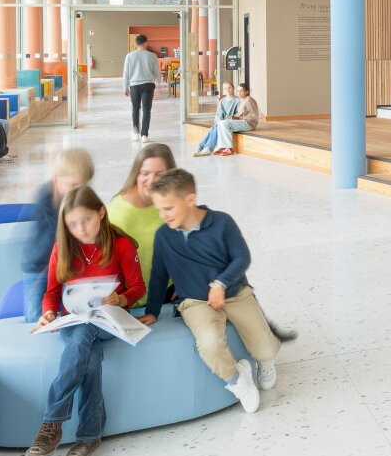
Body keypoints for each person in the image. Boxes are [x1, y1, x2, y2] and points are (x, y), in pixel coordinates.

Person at [138, 168, 280, 413]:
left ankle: (264, 361)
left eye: (168, 208)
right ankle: (237, 380)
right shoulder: (164, 236)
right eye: (158, 209)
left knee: (265, 348)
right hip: (194, 301)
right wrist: (152, 310)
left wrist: (220, 284)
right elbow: (159, 275)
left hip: (235, 293)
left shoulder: (222, 222)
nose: (162, 215)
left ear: (190, 200)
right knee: (209, 344)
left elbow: (241, 257)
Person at [23, 184, 145, 456]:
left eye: (87, 219)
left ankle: (51, 424)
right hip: (74, 320)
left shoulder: (121, 245)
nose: (81, 228)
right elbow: (52, 293)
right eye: (73, 223)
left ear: (101, 213)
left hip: (109, 322)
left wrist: (121, 298)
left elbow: (138, 287)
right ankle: (90, 435)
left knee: (84, 338)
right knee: (87, 353)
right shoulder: (62, 248)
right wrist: (48, 313)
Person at [16, 150, 97, 323]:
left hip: (66, 265)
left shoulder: (79, 198)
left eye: (83, 187)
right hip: (39, 269)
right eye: (73, 185)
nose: (78, 192)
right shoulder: (45, 200)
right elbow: (52, 239)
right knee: (35, 315)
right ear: (56, 178)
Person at [106, 144, 171, 280]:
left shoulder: (173, 201)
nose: (152, 180)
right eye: (145, 173)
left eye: (159, 174)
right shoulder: (117, 213)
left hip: (169, 290)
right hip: (133, 296)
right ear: (136, 175)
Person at [194, 82, 262, 157]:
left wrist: (233, 117)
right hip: (237, 121)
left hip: (247, 122)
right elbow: (219, 115)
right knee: (219, 124)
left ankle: (213, 147)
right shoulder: (225, 101)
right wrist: (232, 117)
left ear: (247, 91)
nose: (239, 93)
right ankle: (214, 147)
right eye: (238, 91)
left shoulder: (245, 100)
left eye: (241, 91)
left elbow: (252, 115)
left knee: (221, 124)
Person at [123, 34, 161, 140]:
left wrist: (125, 87)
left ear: (136, 43)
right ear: (146, 43)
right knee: (146, 109)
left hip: (134, 86)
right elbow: (157, 71)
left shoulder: (129, 56)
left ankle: (136, 133)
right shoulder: (152, 55)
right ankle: (144, 135)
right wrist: (158, 80)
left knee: (135, 109)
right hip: (148, 85)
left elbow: (126, 73)